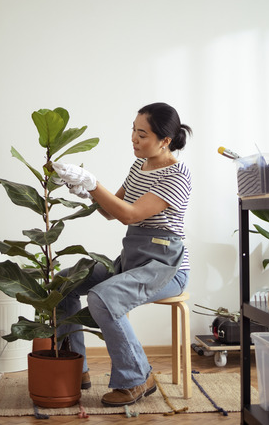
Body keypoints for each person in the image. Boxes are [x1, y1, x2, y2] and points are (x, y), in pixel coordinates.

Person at [52, 102, 192, 407]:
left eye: (142, 134)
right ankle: (75, 367)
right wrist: (83, 188)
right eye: (133, 130)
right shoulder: (138, 166)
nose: (133, 138)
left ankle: (137, 377)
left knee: (103, 297)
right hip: (132, 262)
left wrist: (93, 182)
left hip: (166, 268)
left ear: (165, 140)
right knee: (63, 283)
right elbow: (110, 212)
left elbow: (130, 215)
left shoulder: (177, 176)